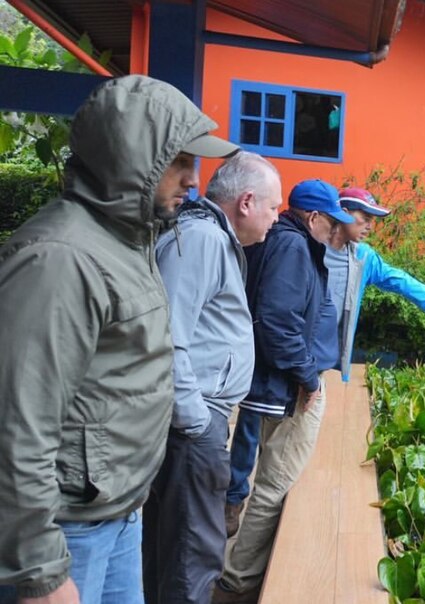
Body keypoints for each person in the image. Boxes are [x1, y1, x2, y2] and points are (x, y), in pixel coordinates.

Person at [0, 75, 237, 604]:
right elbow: (16, 423)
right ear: (132, 158)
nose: (193, 180)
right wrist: (41, 574)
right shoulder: (60, 258)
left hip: (117, 512)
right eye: (178, 162)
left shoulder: (129, 242)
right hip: (66, 530)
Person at [223, 187, 425, 537]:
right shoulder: (303, 244)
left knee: (282, 442)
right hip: (276, 354)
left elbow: (400, 281)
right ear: (337, 214)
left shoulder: (362, 258)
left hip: (313, 365)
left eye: (373, 220)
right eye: (363, 218)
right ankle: (234, 499)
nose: (369, 226)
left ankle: (265, 510)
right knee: (251, 424)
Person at [142, 152, 282, 604]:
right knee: (193, 557)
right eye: (273, 207)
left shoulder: (211, 238)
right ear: (246, 202)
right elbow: (168, 335)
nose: (276, 219)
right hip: (191, 424)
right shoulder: (202, 239)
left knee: (175, 549)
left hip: (194, 421)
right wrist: (197, 421)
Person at [213, 180, 353, 604]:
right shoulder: (293, 247)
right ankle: (238, 581)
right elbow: (276, 320)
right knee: (275, 485)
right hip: (289, 385)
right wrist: (309, 379)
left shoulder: (284, 241)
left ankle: (238, 571)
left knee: (272, 479)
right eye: (333, 223)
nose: (337, 232)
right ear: (313, 217)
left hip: (279, 383)